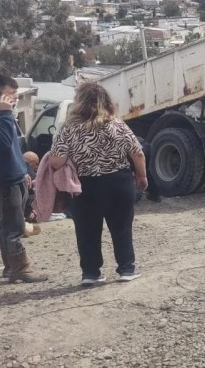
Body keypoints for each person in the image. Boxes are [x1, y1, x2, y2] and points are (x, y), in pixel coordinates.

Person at [49, 82, 147, 286]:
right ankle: (127, 269)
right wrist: (142, 177)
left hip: (85, 186)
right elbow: (137, 152)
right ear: (106, 101)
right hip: (118, 183)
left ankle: (91, 273)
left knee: (87, 230)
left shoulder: (69, 128)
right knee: (121, 227)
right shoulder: (117, 124)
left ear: (79, 103)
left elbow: (56, 160)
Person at [0, 74, 47, 283]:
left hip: (14, 177)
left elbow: (14, 150)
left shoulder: (3, 117)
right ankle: (20, 268)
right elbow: (4, 144)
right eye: (11, 94)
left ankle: (10, 266)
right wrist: (6, 115)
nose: (15, 98)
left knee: (7, 224)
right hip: (4, 182)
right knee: (13, 227)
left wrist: (22, 169)